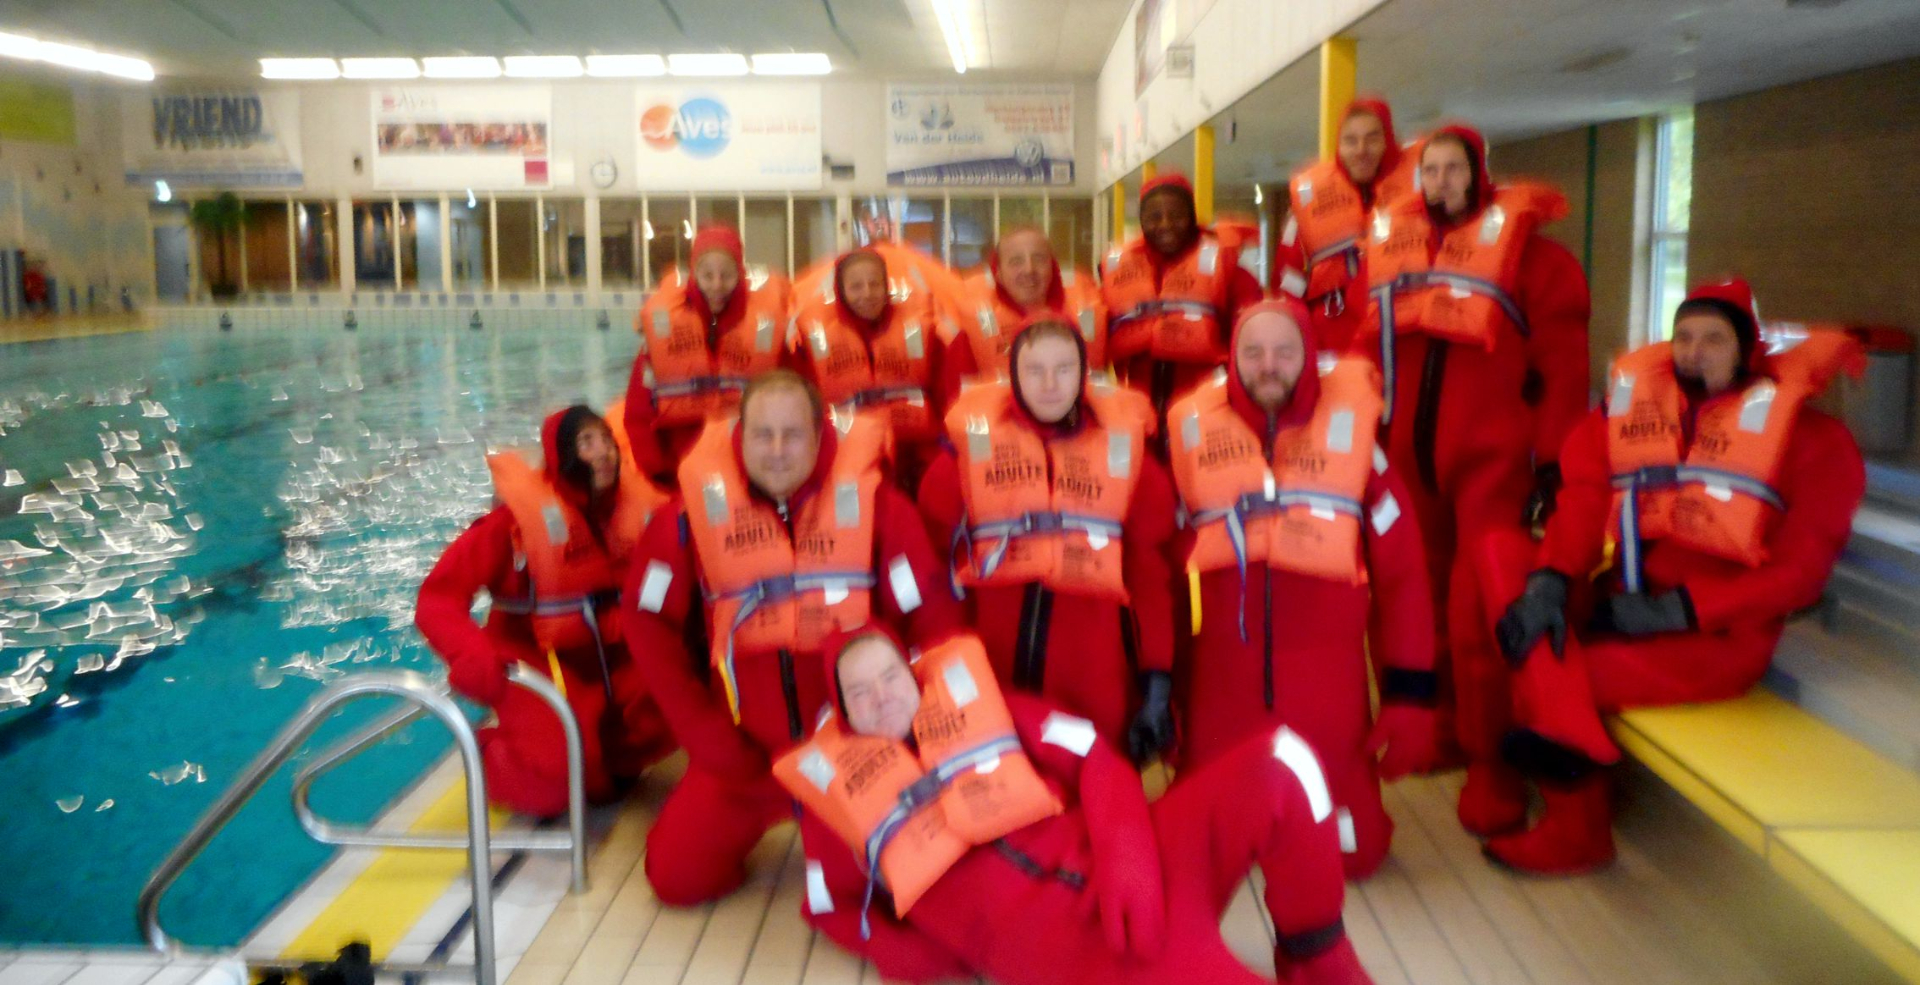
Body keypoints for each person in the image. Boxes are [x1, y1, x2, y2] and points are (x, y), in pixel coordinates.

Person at [1484, 279, 1867, 873]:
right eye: (1683, 336)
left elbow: (1801, 576)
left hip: (1717, 637)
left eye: (1714, 339)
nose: (1695, 351)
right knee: (1507, 570)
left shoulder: (1815, 442)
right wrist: (1551, 582)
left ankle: (1578, 831)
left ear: (1746, 350)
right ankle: (1546, 771)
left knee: (1555, 667)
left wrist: (1679, 610)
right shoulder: (1630, 417)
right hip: (1624, 596)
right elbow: (1584, 501)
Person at [778, 626, 1374, 985]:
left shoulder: (986, 710)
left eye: (889, 676)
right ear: (843, 712)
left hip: (1142, 864)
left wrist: (1128, 858)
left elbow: (1093, 755)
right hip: (1091, 954)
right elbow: (828, 906)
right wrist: (934, 955)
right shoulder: (836, 802)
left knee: (1284, 761)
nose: (881, 697)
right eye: (860, 692)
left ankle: (1315, 956)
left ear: (912, 672)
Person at [620, 369, 963, 905]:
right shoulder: (687, 520)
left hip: (859, 752)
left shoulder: (881, 508)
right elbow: (645, 619)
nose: (777, 450)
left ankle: (836, 833)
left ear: (820, 435)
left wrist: (927, 736)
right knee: (676, 878)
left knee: (914, 890)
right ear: (740, 436)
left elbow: (932, 619)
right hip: (748, 755)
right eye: (763, 435)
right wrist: (705, 735)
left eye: (793, 434)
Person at [1360, 124, 1592, 831]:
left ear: (1479, 175)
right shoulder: (1391, 252)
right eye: (1427, 170)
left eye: (1453, 169)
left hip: (1490, 460)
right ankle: (1426, 725)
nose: (1439, 182)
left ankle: (1488, 753)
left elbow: (1563, 365)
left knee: (1473, 605)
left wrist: (1555, 456)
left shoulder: (1537, 261)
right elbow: (1360, 350)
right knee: (1405, 597)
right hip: (1404, 458)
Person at [1167, 299, 1439, 878]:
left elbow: (1405, 575)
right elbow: (1159, 570)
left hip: (1326, 683)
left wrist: (1410, 694)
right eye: (1254, 352)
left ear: (1309, 358)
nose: (1269, 366)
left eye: (1285, 352)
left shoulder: (1361, 446)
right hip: (1223, 678)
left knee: (1355, 852)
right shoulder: (1189, 441)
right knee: (1195, 847)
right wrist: (1162, 688)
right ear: (1231, 360)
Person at [918, 315, 1178, 759]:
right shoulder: (964, 455)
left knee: (1092, 792)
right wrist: (940, 662)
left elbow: (1150, 577)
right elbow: (939, 567)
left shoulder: (1129, 456)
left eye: (1064, 369)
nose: (1050, 384)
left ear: (1084, 374)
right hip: (993, 666)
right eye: (1034, 370)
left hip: (1091, 673)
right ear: (1012, 376)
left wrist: (1156, 682)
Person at [416, 406, 675, 817]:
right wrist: (472, 654)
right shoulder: (514, 523)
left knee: (679, 700)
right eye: (587, 442)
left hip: (612, 658)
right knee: (553, 783)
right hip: (536, 661)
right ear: (562, 456)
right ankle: (490, 754)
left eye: (607, 440)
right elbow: (438, 599)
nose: (604, 452)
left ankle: (602, 761)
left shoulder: (640, 512)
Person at [621, 226, 790, 481]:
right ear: (694, 275)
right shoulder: (661, 330)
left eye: (727, 275)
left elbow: (794, 398)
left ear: (741, 274)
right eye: (707, 275)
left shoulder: (768, 327)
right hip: (680, 463)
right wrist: (656, 469)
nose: (717, 285)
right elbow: (638, 409)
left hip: (745, 461)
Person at [1101, 173, 1266, 427]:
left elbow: (1251, 328)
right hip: (1140, 394)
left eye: (1176, 215)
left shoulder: (1227, 262)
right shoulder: (1119, 268)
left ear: (1191, 216)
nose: (1165, 224)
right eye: (1154, 217)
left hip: (1205, 393)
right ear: (1142, 221)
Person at [791, 248, 953, 491]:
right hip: (848, 452)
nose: (867, 294)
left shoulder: (924, 327)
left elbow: (947, 393)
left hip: (916, 452)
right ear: (840, 290)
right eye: (856, 286)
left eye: (875, 284)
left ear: (886, 286)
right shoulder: (810, 341)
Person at [1274, 98, 1417, 353]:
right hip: (1332, 333)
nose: (1361, 149)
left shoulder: (1418, 193)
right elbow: (1288, 279)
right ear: (1339, 146)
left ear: (1388, 141)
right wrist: (1296, 335)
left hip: (1401, 330)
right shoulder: (1308, 200)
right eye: (1351, 141)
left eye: (1372, 138)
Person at [947, 227, 1108, 383]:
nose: (1029, 269)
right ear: (999, 274)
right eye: (1016, 262)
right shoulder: (966, 330)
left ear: (1053, 268)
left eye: (1039, 259)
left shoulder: (1093, 311)